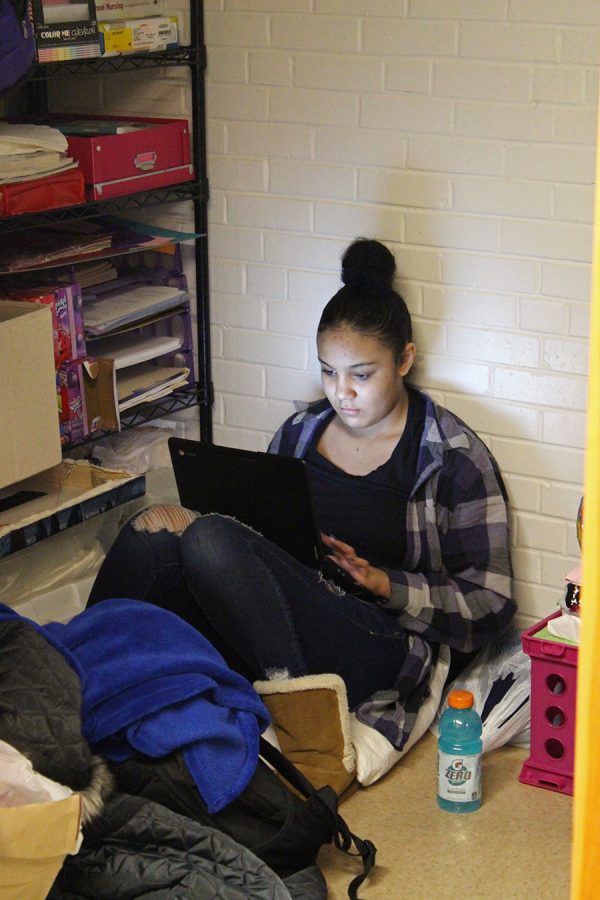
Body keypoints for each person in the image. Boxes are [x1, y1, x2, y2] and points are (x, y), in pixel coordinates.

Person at [88, 238, 515, 751]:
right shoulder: (299, 432)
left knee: (211, 540)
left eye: (362, 374)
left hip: (379, 639)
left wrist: (384, 583)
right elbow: (260, 550)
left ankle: (302, 732)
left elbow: (491, 606)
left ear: (404, 360)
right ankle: (72, 689)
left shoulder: (452, 457)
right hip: (282, 616)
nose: (342, 392)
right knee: (150, 533)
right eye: (328, 371)